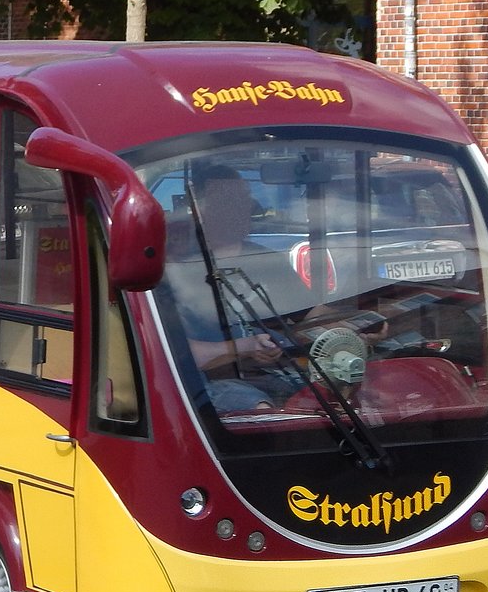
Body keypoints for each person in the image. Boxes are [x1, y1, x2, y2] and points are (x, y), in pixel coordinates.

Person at [162, 163, 384, 412]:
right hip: (213, 384)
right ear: (201, 210)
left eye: (245, 199)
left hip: (280, 373)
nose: (247, 208)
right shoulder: (175, 270)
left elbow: (310, 317)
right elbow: (172, 354)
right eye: (232, 202)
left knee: (358, 398)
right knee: (260, 409)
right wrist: (242, 348)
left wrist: (355, 328)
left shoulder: (266, 261)